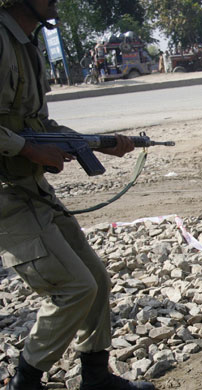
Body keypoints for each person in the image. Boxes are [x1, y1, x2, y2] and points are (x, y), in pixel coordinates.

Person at [0, 1, 154, 389]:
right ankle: (26, 381)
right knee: (74, 288)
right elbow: (23, 138)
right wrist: (29, 150)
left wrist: (98, 143)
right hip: (7, 195)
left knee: (97, 280)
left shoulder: (24, 44)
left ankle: (96, 377)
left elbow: (36, 123)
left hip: (30, 187)